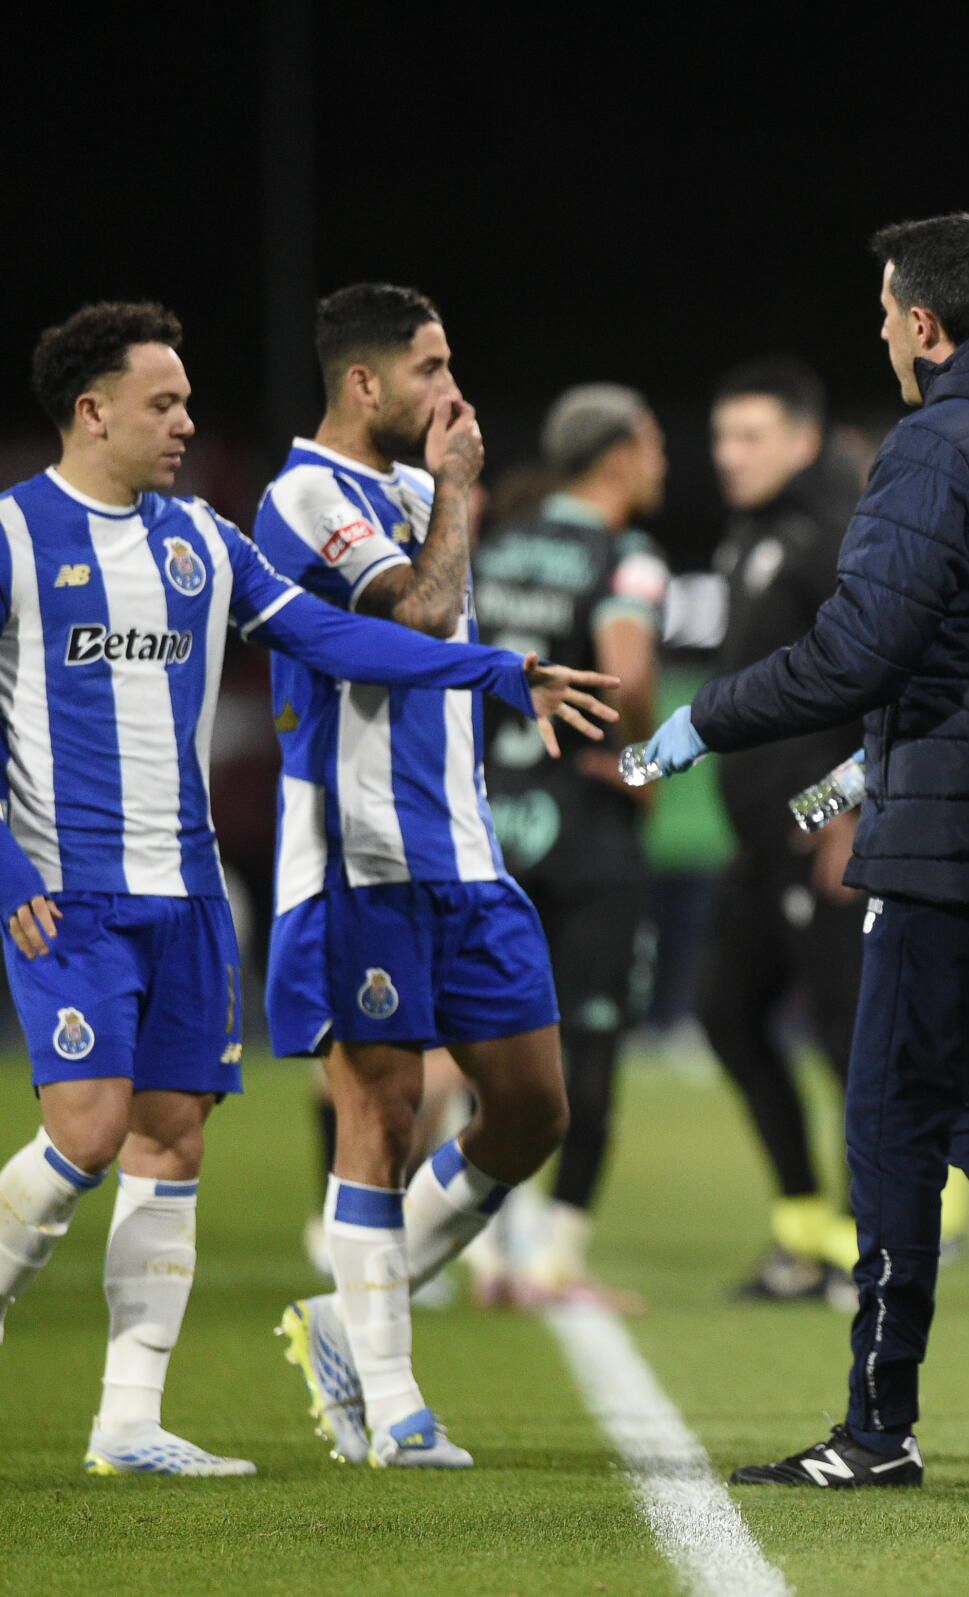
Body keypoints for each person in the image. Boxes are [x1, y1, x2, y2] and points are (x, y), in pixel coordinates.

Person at [0, 301, 612, 1477]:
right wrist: (6, 861)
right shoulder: (19, 535)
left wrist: (496, 670)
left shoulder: (203, 543)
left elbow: (340, 644)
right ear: (92, 412)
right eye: (163, 402)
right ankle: (377, 1387)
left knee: (169, 1142)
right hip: (70, 889)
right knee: (85, 1130)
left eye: (185, 400)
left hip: (183, 890)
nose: (187, 421)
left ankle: (128, 1422)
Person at [641, 213, 969, 1489]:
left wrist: (705, 717)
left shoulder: (936, 443)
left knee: (887, 1117)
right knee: (947, 1093)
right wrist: (854, 778)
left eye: (886, 313)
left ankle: (877, 1425)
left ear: (925, 325)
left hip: (949, 834)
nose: (881, 333)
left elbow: (863, 649)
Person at [251, 284, 615, 1469]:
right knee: (387, 1109)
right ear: (364, 383)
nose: (450, 391)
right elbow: (416, 609)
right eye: (429, 367)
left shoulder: (413, 495)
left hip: (462, 851)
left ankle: (349, 1317)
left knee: (534, 1107)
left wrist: (516, 678)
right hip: (362, 859)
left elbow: (446, 640)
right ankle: (396, 1404)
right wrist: (459, 487)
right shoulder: (305, 495)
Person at [475, 384, 671, 1303]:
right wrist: (641, 755)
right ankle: (555, 1259)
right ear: (621, 454)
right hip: (585, 827)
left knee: (490, 1038)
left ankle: (482, 1251)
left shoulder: (496, 543)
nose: (664, 465)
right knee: (588, 1038)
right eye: (655, 446)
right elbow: (626, 679)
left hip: (491, 818)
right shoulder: (624, 555)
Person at [694, 358, 869, 1302]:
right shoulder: (758, 533)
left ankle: (867, 1249)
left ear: (804, 439)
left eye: (751, 436)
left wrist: (848, 802)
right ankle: (806, 1232)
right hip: (765, 841)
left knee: (853, 1041)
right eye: (722, 436)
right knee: (725, 1010)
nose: (729, 455)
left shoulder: (837, 534)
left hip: (822, 834)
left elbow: (890, 675)